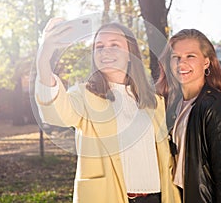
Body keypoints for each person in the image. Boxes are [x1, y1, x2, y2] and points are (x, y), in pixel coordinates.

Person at [35, 19, 181, 203]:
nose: (106, 51)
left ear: (130, 54)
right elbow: (56, 114)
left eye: (115, 44)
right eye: (99, 46)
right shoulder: (83, 96)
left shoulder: (155, 102)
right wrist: (43, 59)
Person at [156, 28, 221, 203]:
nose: (181, 63)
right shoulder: (174, 106)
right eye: (176, 57)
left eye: (190, 56)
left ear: (207, 62)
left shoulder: (215, 107)